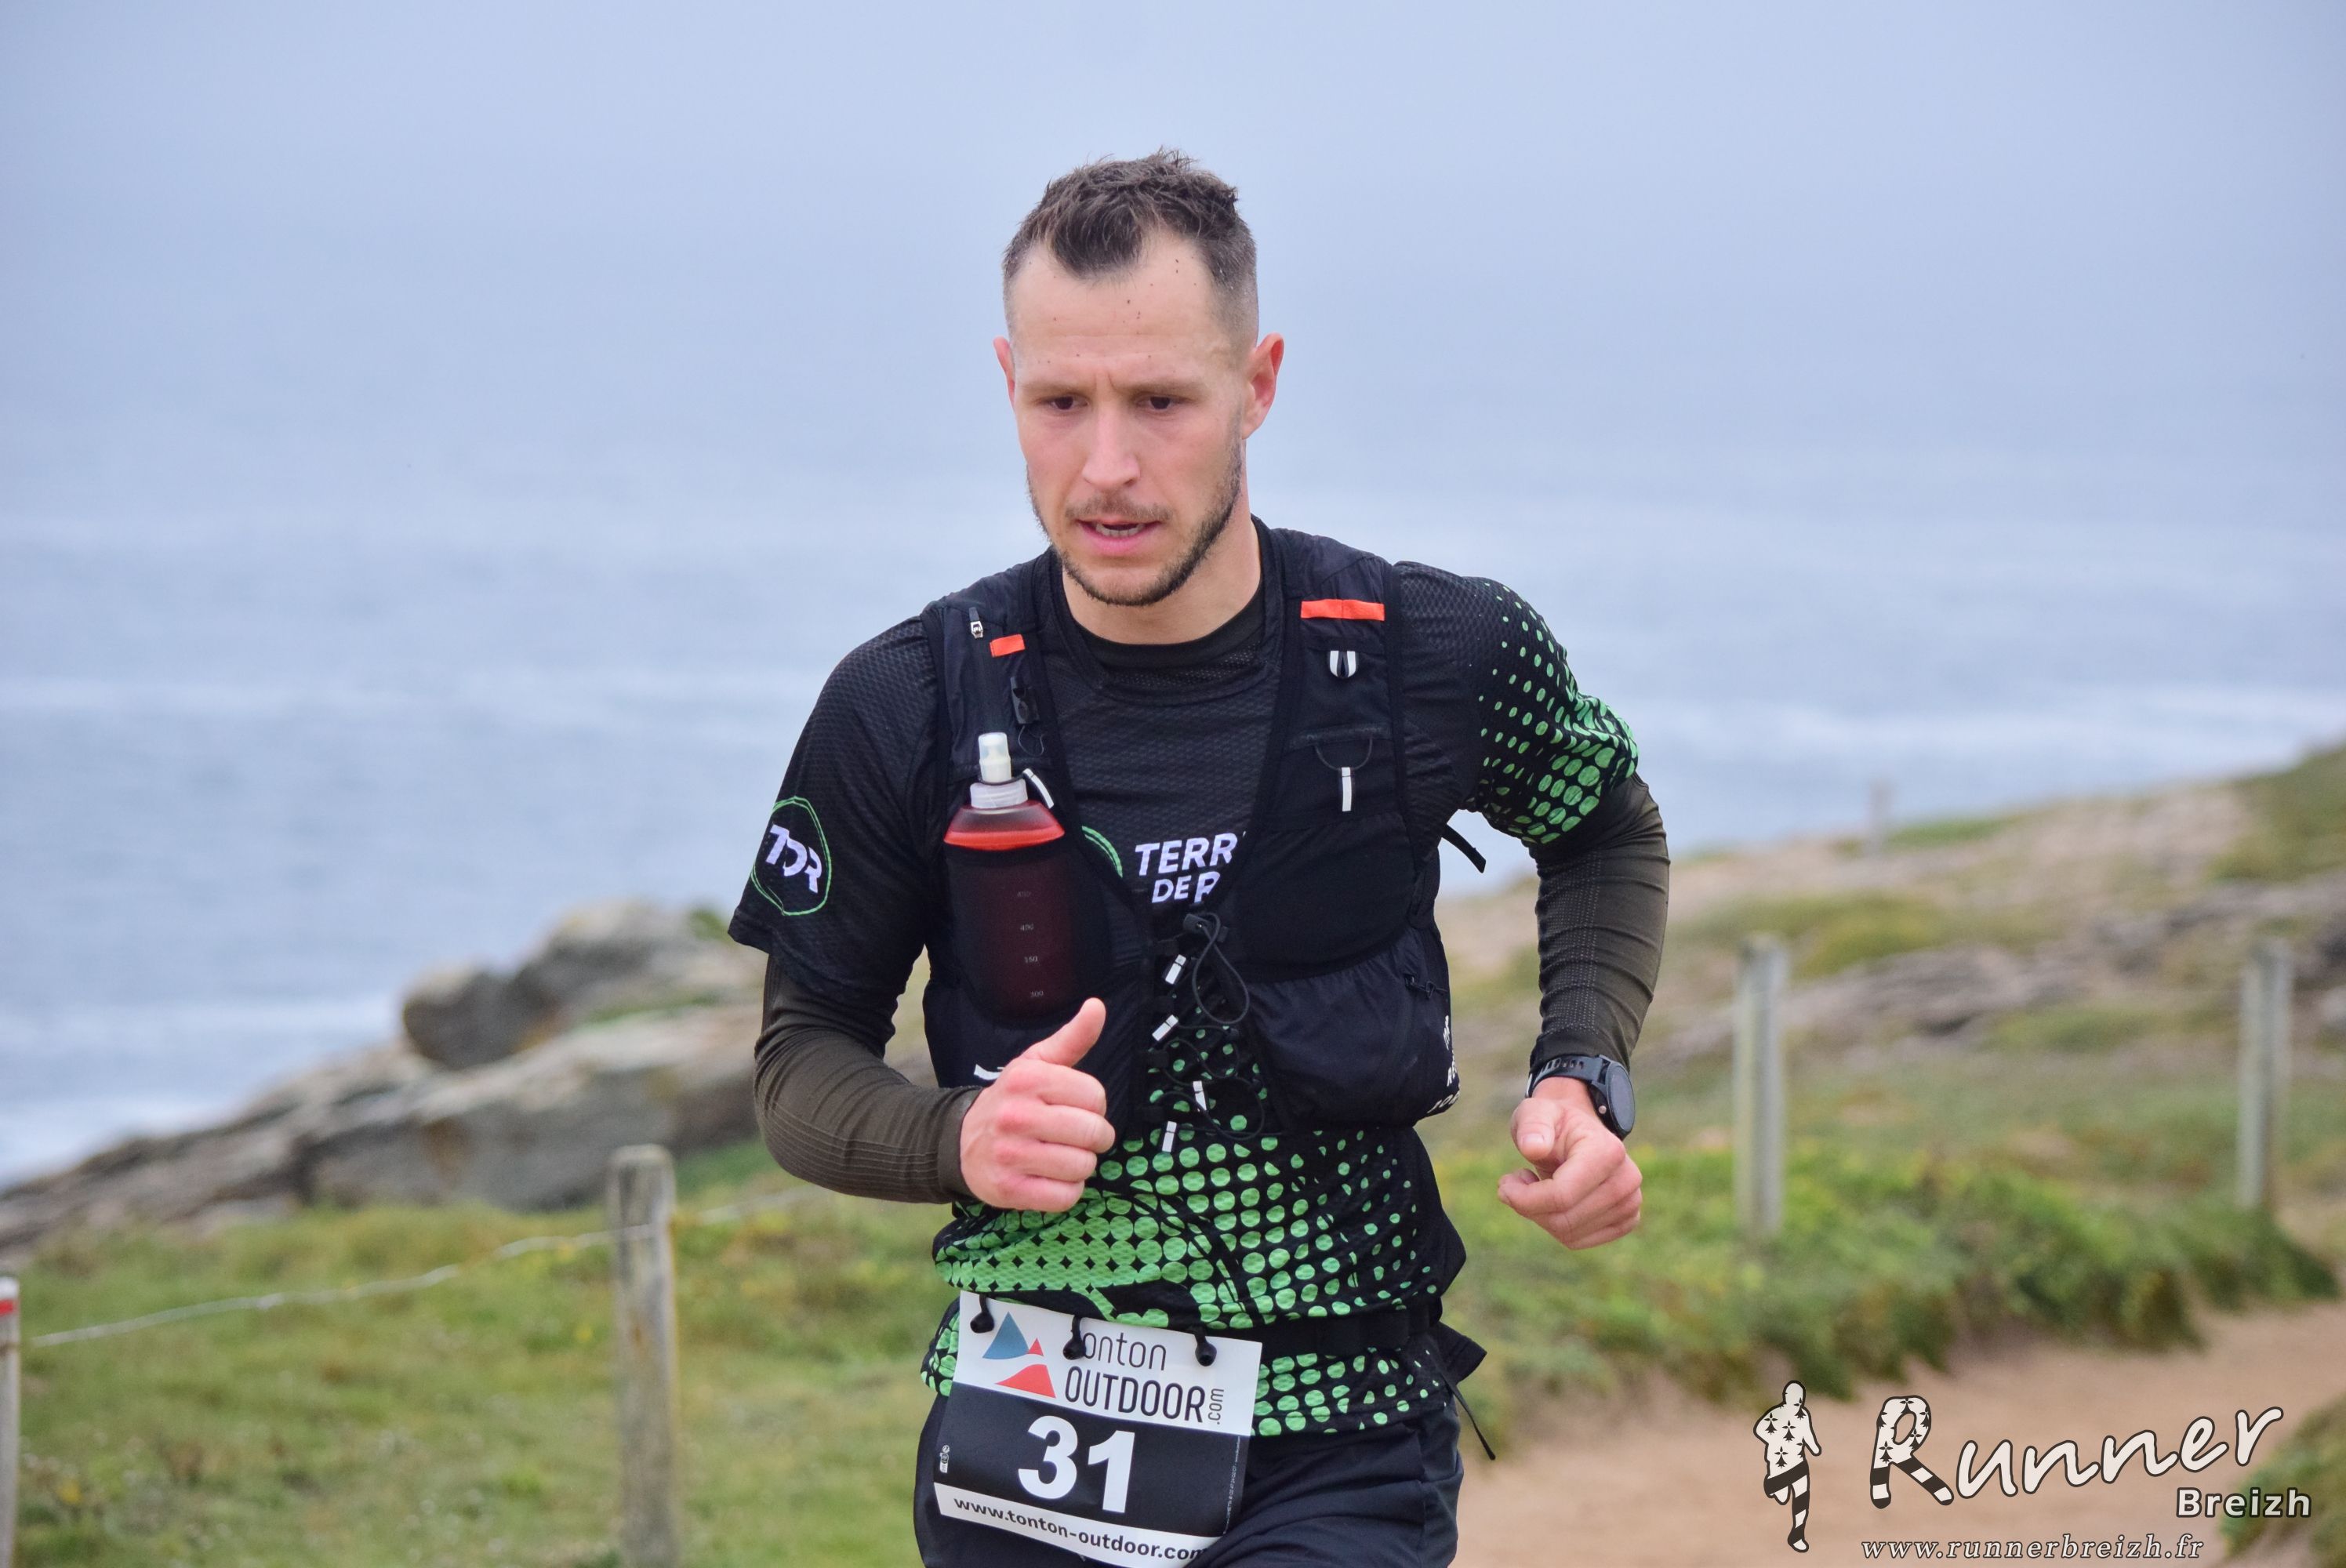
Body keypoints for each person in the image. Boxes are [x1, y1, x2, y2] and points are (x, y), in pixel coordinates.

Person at [728, 150, 1670, 1567]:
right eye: (1061, 403)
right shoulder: (906, 701)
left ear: (1258, 384)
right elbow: (799, 1061)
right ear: (1008, 384)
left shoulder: (1434, 651)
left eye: (1161, 402)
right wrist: (955, 1140)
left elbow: (1606, 830)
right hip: (1025, 1437)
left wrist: (1582, 1075)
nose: (1107, 468)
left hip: (1342, 1429)